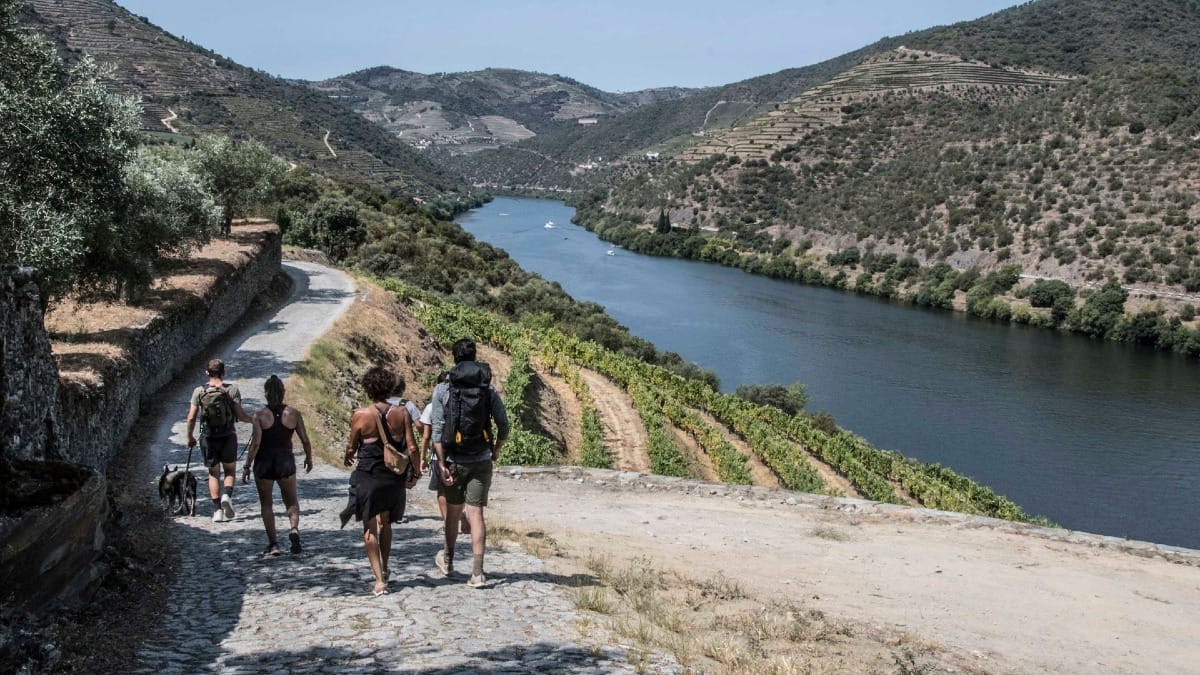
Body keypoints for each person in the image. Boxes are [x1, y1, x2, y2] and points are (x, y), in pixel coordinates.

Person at [431, 339, 509, 588]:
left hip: (453, 459)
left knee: (453, 514)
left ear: (453, 358)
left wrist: (441, 464)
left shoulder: (443, 389)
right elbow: (504, 426)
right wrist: (494, 451)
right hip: (481, 459)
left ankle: (449, 560)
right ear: (475, 357)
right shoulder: (488, 389)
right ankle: (477, 573)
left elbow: (437, 430)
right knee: (476, 514)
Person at [344, 367, 418, 596]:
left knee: (369, 527)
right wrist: (415, 471)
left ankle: (378, 580)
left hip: (368, 475)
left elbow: (352, 445)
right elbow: (412, 446)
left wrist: (348, 454)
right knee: (386, 522)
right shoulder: (402, 413)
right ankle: (385, 567)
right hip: (392, 477)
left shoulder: (361, 415)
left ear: (368, 388)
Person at [241, 375, 313, 556]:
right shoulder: (293, 413)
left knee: (266, 504)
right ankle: (294, 528)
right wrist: (308, 458)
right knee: (291, 501)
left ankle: (273, 544)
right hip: (285, 462)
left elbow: (256, 443)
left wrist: (247, 465)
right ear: (283, 392)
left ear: (266, 393)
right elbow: (305, 440)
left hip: (264, 463)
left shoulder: (259, 415)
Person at [187, 358, 253, 523]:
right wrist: (254, 421)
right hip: (228, 435)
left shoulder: (199, 392)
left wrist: (190, 437)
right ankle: (226, 496)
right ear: (224, 373)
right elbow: (240, 416)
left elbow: (191, 418)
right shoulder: (232, 390)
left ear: (207, 373)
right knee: (230, 471)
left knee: (213, 473)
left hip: (208, 437)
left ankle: (217, 510)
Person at [422, 372, 469, 534]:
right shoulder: (463, 402)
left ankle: (447, 522)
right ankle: (458, 517)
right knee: (459, 489)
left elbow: (427, 435)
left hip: (439, 454)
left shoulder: (431, 406)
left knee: (442, 490)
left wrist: (423, 456)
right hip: (462, 453)